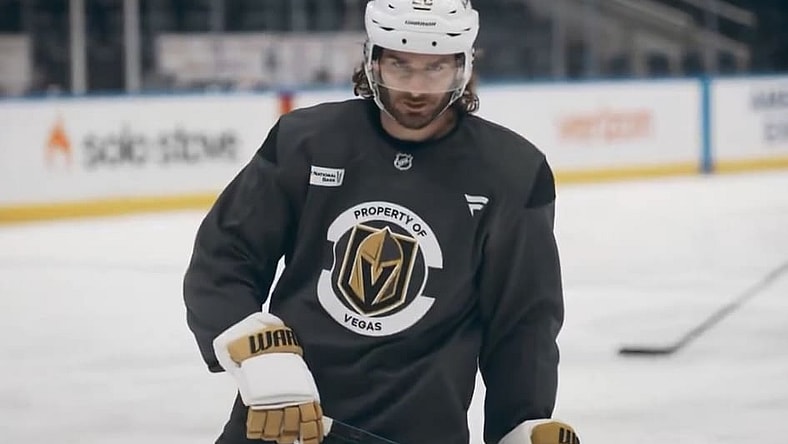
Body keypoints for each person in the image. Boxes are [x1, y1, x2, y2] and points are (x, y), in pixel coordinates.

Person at [183, 1, 578, 443]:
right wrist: (259, 354)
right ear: (371, 60)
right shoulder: (306, 141)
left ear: (464, 66)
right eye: (399, 65)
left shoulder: (512, 172)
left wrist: (520, 424)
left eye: (436, 69)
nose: (416, 88)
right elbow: (224, 256)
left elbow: (522, 321)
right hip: (286, 424)